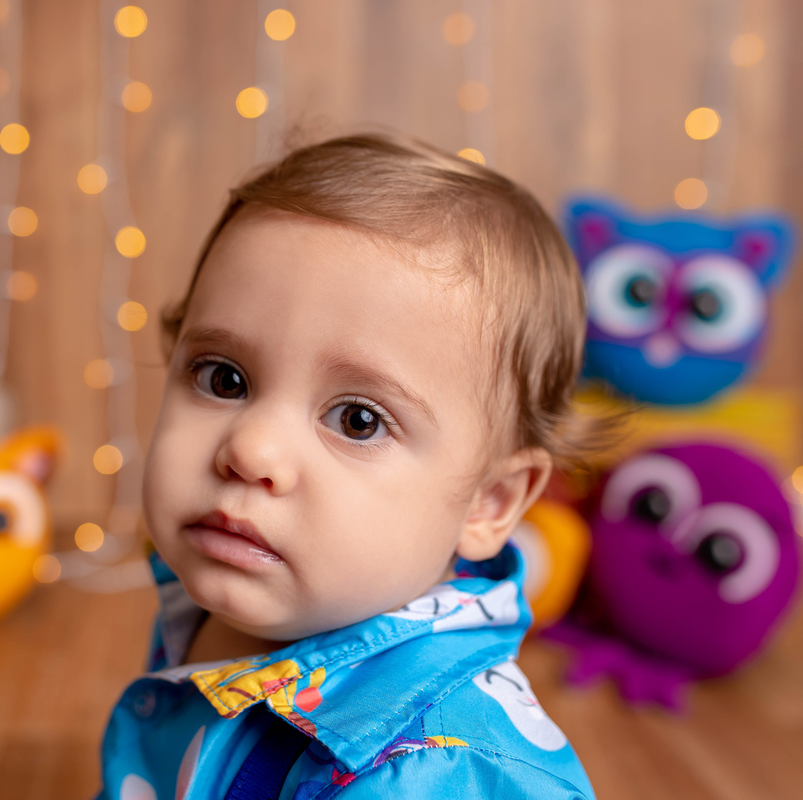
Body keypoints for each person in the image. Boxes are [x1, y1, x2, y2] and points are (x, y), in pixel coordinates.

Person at [97, 135, 604, 799]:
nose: (251, 450)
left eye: (358, 420)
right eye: (224, 379)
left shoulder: (426, 775)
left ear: (490, 500)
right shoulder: (213, 588)